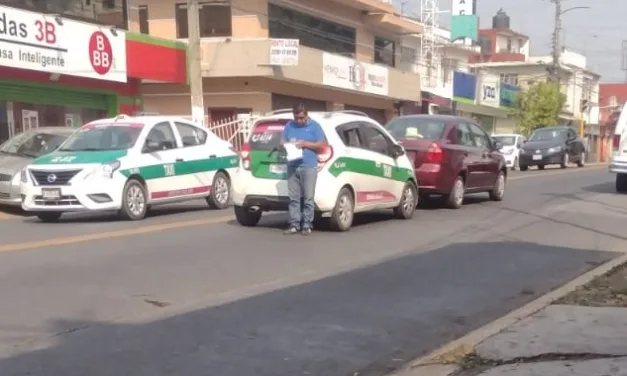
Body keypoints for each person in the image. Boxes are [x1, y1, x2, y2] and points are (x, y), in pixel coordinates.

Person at [281, 103, 326, 235]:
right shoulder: (289, 125)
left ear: (307, 115)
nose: (299, 121)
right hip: (292, 166)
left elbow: (321, 144)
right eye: (296, 118)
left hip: (308, 166)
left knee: (308, 198)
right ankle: (294, 224)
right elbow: (282, 141)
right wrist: (288, 145)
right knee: (294, 198)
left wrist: (305, 144)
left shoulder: (315, 126)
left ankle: (307, 225)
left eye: (301, 118)